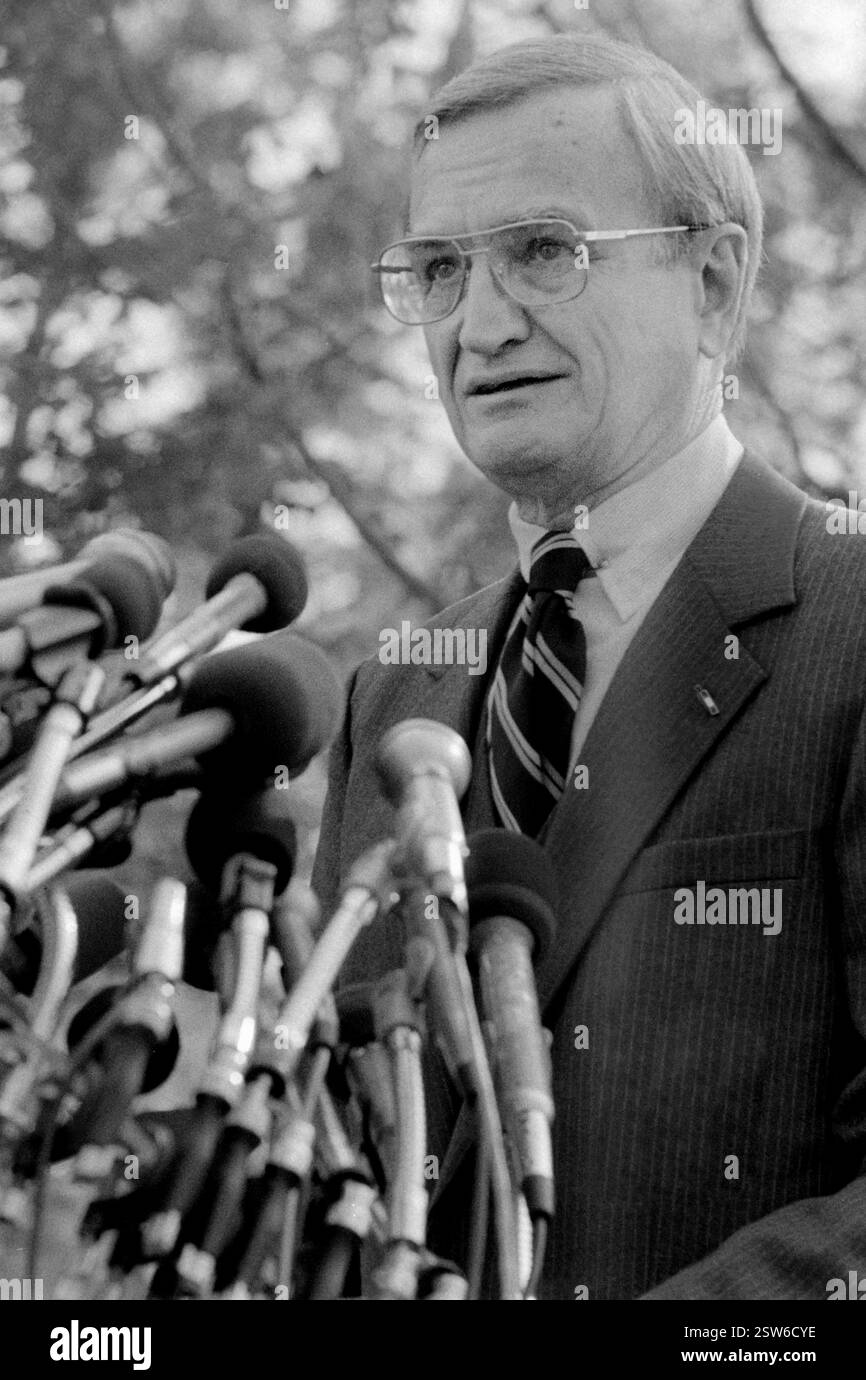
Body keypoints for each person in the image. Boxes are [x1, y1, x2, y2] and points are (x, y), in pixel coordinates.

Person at [311, 32, 866, 1299]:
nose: (480, 322)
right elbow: (348, 1141)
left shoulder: (848, 622)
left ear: (713, 284)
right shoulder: (390, 695)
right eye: (438, 268)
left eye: (544, 252)